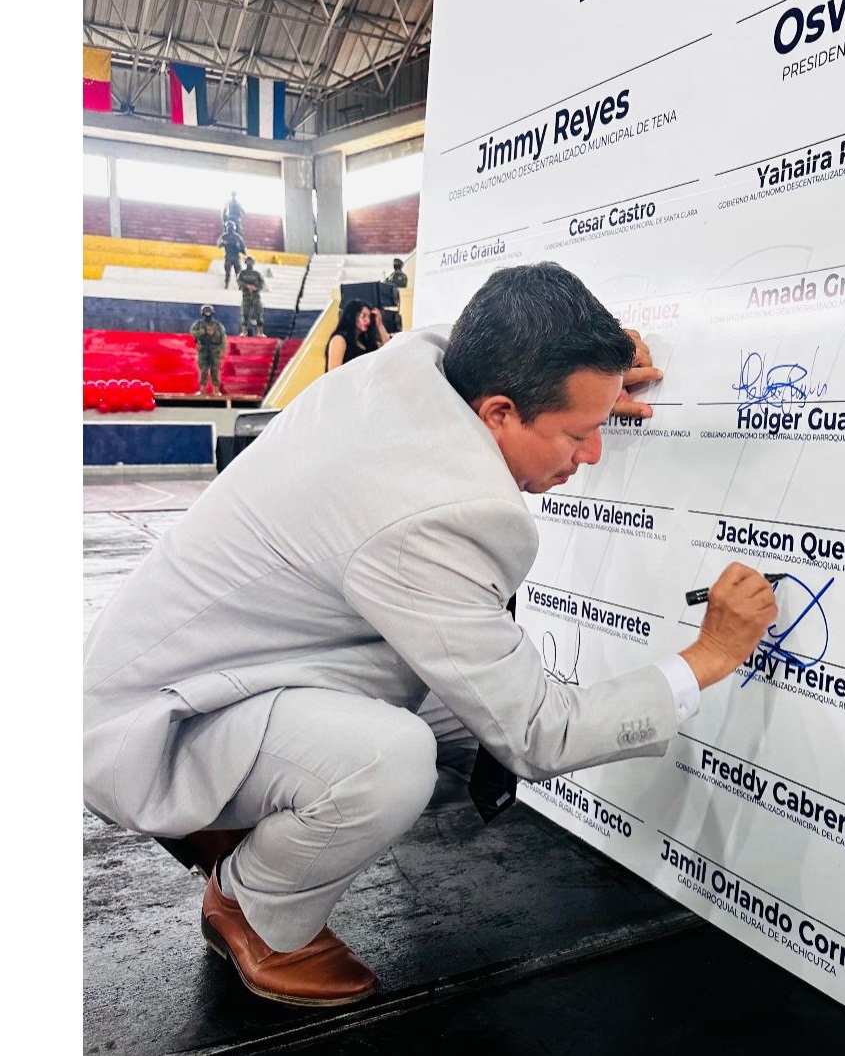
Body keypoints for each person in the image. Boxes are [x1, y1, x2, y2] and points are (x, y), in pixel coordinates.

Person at [83, 261, 777, 1007]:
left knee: (463, 710)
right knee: (391, 759)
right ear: (500, 412)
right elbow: (538, 736)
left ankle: (246, 816)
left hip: (219, 662)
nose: (593, 453)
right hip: (160, 724)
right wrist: (707, 658)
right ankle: (251, 908)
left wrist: (590, 381)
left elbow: (486, 337)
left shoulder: (424, 364)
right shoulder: (442, 509)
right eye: (580, 432)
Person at [325, 297, 389, 370]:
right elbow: (334, 372)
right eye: (363, 316)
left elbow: (389, 349)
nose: (368, 321)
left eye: (369, 317)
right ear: (352, 316)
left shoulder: (365, 341)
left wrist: (380, 325)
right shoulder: (339, 339)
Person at [188, 303, 227, 395]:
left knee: (215, 370)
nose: (207, 313)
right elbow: (192, 332)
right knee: (203, 370)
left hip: (215, 350)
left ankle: (216, 390)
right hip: (203, 349)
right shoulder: (199, 324)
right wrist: (201, 332)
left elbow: (223, 338)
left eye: (209, 311)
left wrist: (222, 350)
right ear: (202, 313)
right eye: (206, 311)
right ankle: (202, 390)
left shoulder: (218, 325)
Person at [237, 256, 266, 337]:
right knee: (245, 314)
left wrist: (255, 288)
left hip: (256, 296)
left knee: (258, 314)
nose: (249, 263)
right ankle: (244, 332)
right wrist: (247, 286)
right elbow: (239, 282)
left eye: (250, 262)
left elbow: (262, 283)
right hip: (246, 296)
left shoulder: (257, 274)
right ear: (245, 263)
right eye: (248, 261)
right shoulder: (242, 273)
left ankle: (260, 332)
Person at [381, 258, 408, 335]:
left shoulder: (402, 276)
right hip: (389, 300)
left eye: (396, 265)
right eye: (394, 265)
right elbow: (385, 283)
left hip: (397, 298)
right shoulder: (392, 275)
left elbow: (401, 285)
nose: (395, 266)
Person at [217, 222, 246, 289]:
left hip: (236, 256)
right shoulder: (224, 236)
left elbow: (243, 247)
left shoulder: (237, 237)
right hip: (228, 256)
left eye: (231, 227)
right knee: (227, 272)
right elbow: (219, 244)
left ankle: (240, 286)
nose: (230, 228)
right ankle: (226, 285)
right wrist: (223, 243)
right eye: (228, 227)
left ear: (234, 228)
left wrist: (238, 247)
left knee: (238, 272)